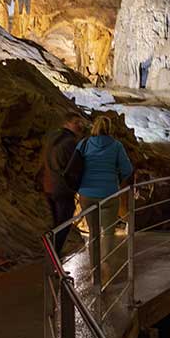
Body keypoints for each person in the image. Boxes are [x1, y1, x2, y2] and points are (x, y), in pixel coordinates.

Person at [74, 116, 133, 281]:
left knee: (93, 233)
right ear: (110, 129)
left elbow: (75, 164)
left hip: (87, 193)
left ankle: (95, 270)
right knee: (108, 232)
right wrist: (116, 176)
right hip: (109, 193)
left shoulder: (84, 144)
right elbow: (127, 169)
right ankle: (105, 262)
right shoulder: (116, 146)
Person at [41, 111, 85, 252]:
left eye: (80, 122)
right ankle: (54, 256)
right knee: (63, 224)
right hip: (63, 188)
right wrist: (76, 185)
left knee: (57, 224)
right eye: (76, 122)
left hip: (49, 186)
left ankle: (52, 258)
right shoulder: (70, 143)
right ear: (67, 123)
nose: (80, 125)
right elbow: (74, 167)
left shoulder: (52, 138)